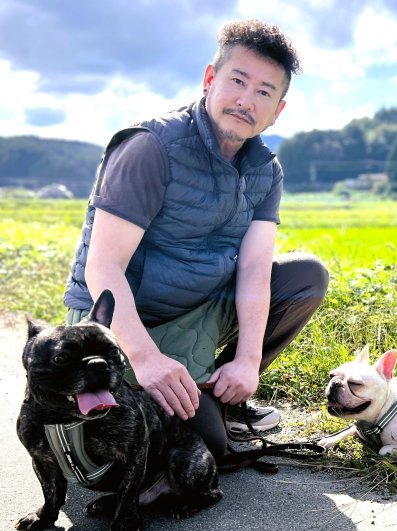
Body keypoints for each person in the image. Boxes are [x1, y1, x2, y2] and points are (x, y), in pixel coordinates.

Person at [63, 20, 328, 461]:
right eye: (238, 81)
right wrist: (147, 360)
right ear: (210, 79)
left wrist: (246, 360)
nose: (247, 100)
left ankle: (226, 393)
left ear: (278, 110)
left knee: (306, 276)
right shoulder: (151, 147)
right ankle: (183, 399)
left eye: (264, 92)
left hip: (198, 310)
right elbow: (103, 267)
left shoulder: (266, 170)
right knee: (197, 451)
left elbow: (254, 269)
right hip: (123, 318)